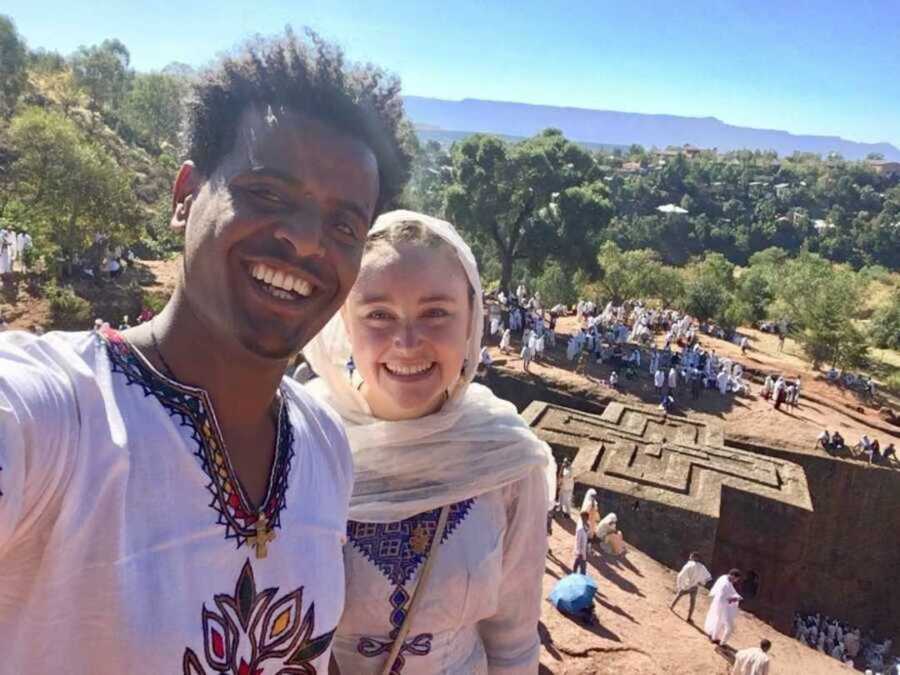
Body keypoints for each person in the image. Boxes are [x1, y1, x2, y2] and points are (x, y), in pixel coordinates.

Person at [0, 31, 411, 674]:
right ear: (185, 194)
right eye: (268, 194)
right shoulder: (62, 418)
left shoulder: (326, 444)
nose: (306, 243)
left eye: (343, 226)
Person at [303, 212, 555, 674]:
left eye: (436, 312)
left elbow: (514, 640)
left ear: (471, 321)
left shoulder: (505, 456)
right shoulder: (304, 440)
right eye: (378, 314)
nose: (406, 341)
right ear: (345, 324)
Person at [705, 569, 743, 646]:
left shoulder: (724, 577)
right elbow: (725, 597)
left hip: (718, 602)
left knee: (717, 619)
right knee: (720, 621)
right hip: (721, 605)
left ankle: (714, 636)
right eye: (736, 579)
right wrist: (735, 599)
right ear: (732, 576)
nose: (736, 581)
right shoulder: (725, 584)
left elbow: (730, 591)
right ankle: (715, 639)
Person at [671, 552, 711, 623]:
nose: (690, 557)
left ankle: (671, 606)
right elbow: (707, 577)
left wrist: (682, 584)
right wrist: (701, 583)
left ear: (694, 557)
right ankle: (689, 617)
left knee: (679, 595)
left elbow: (681, 575)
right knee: (692, 602)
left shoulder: (689, 565)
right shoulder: (702, 566)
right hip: (695, 586)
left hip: (688, 585)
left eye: (691, 556)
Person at [574, 511, 590, 575]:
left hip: (583, 549)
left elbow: (586, 537)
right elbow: (577, 541)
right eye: (585, 518)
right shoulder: (580, 529)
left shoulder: (586, 526)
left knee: (577, 563)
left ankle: (574, 573)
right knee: (583, 568)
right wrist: (579, 552)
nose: (586, 519)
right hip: (580, 551)